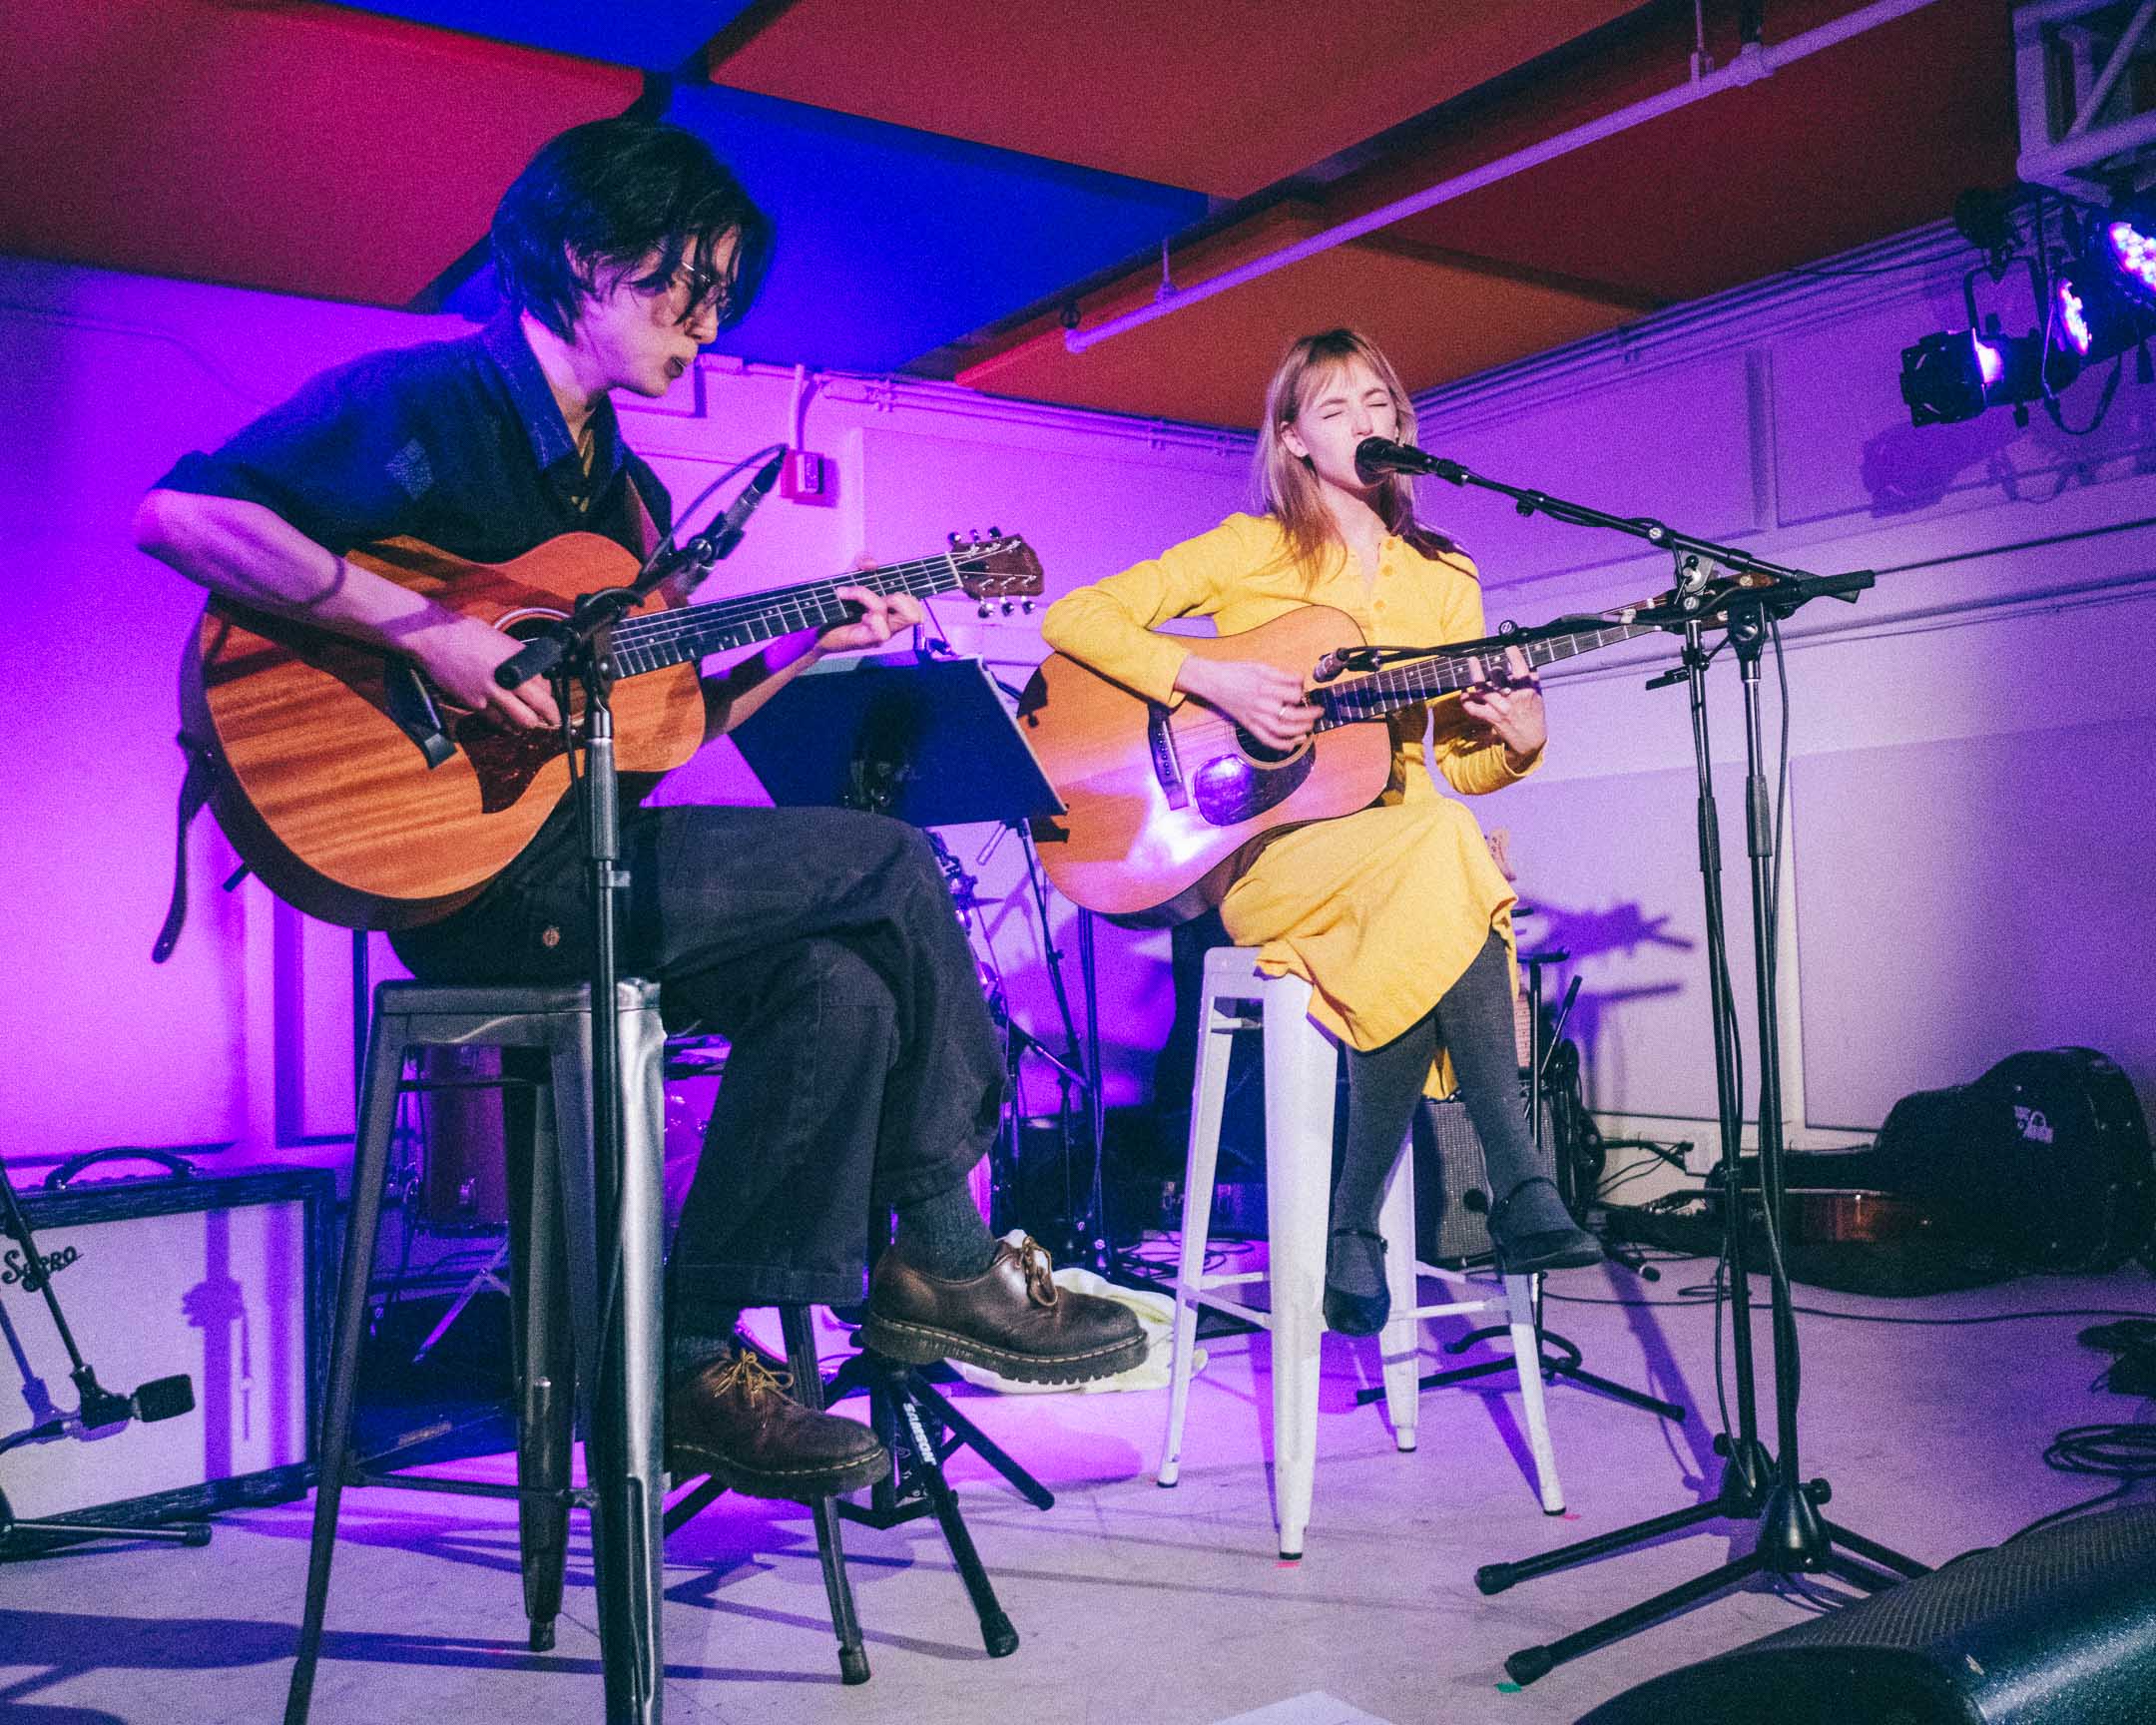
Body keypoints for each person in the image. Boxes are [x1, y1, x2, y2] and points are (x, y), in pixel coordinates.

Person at [134, 116, 1142, 1502]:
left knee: (843, 985)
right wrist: (428, 630)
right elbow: (180, 516)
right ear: (581, 255)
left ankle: (690, 1363)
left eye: (724, 295)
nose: (708, 323)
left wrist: (805, 643)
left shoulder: (628, 500)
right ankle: (947, 1256)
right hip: (473, 892)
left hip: (577, 855)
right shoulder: (425, 400)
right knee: (893, 862)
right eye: (687, 284)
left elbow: (651, 737)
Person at [1040, 327, 1602, 1336]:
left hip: (1404, 840)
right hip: (1275, 851)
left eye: (1378, 403)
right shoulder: (1249, 547)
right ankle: (1518, 1181)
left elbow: (1458, 758)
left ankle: (1356, 1227)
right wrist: (1211, 677)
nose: (1364, 422)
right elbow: (1076, 618)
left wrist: (1519, 738)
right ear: (1295, 438)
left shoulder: (1446, 574)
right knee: (1449, 860)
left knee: (1438, 848)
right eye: (1336, 409)